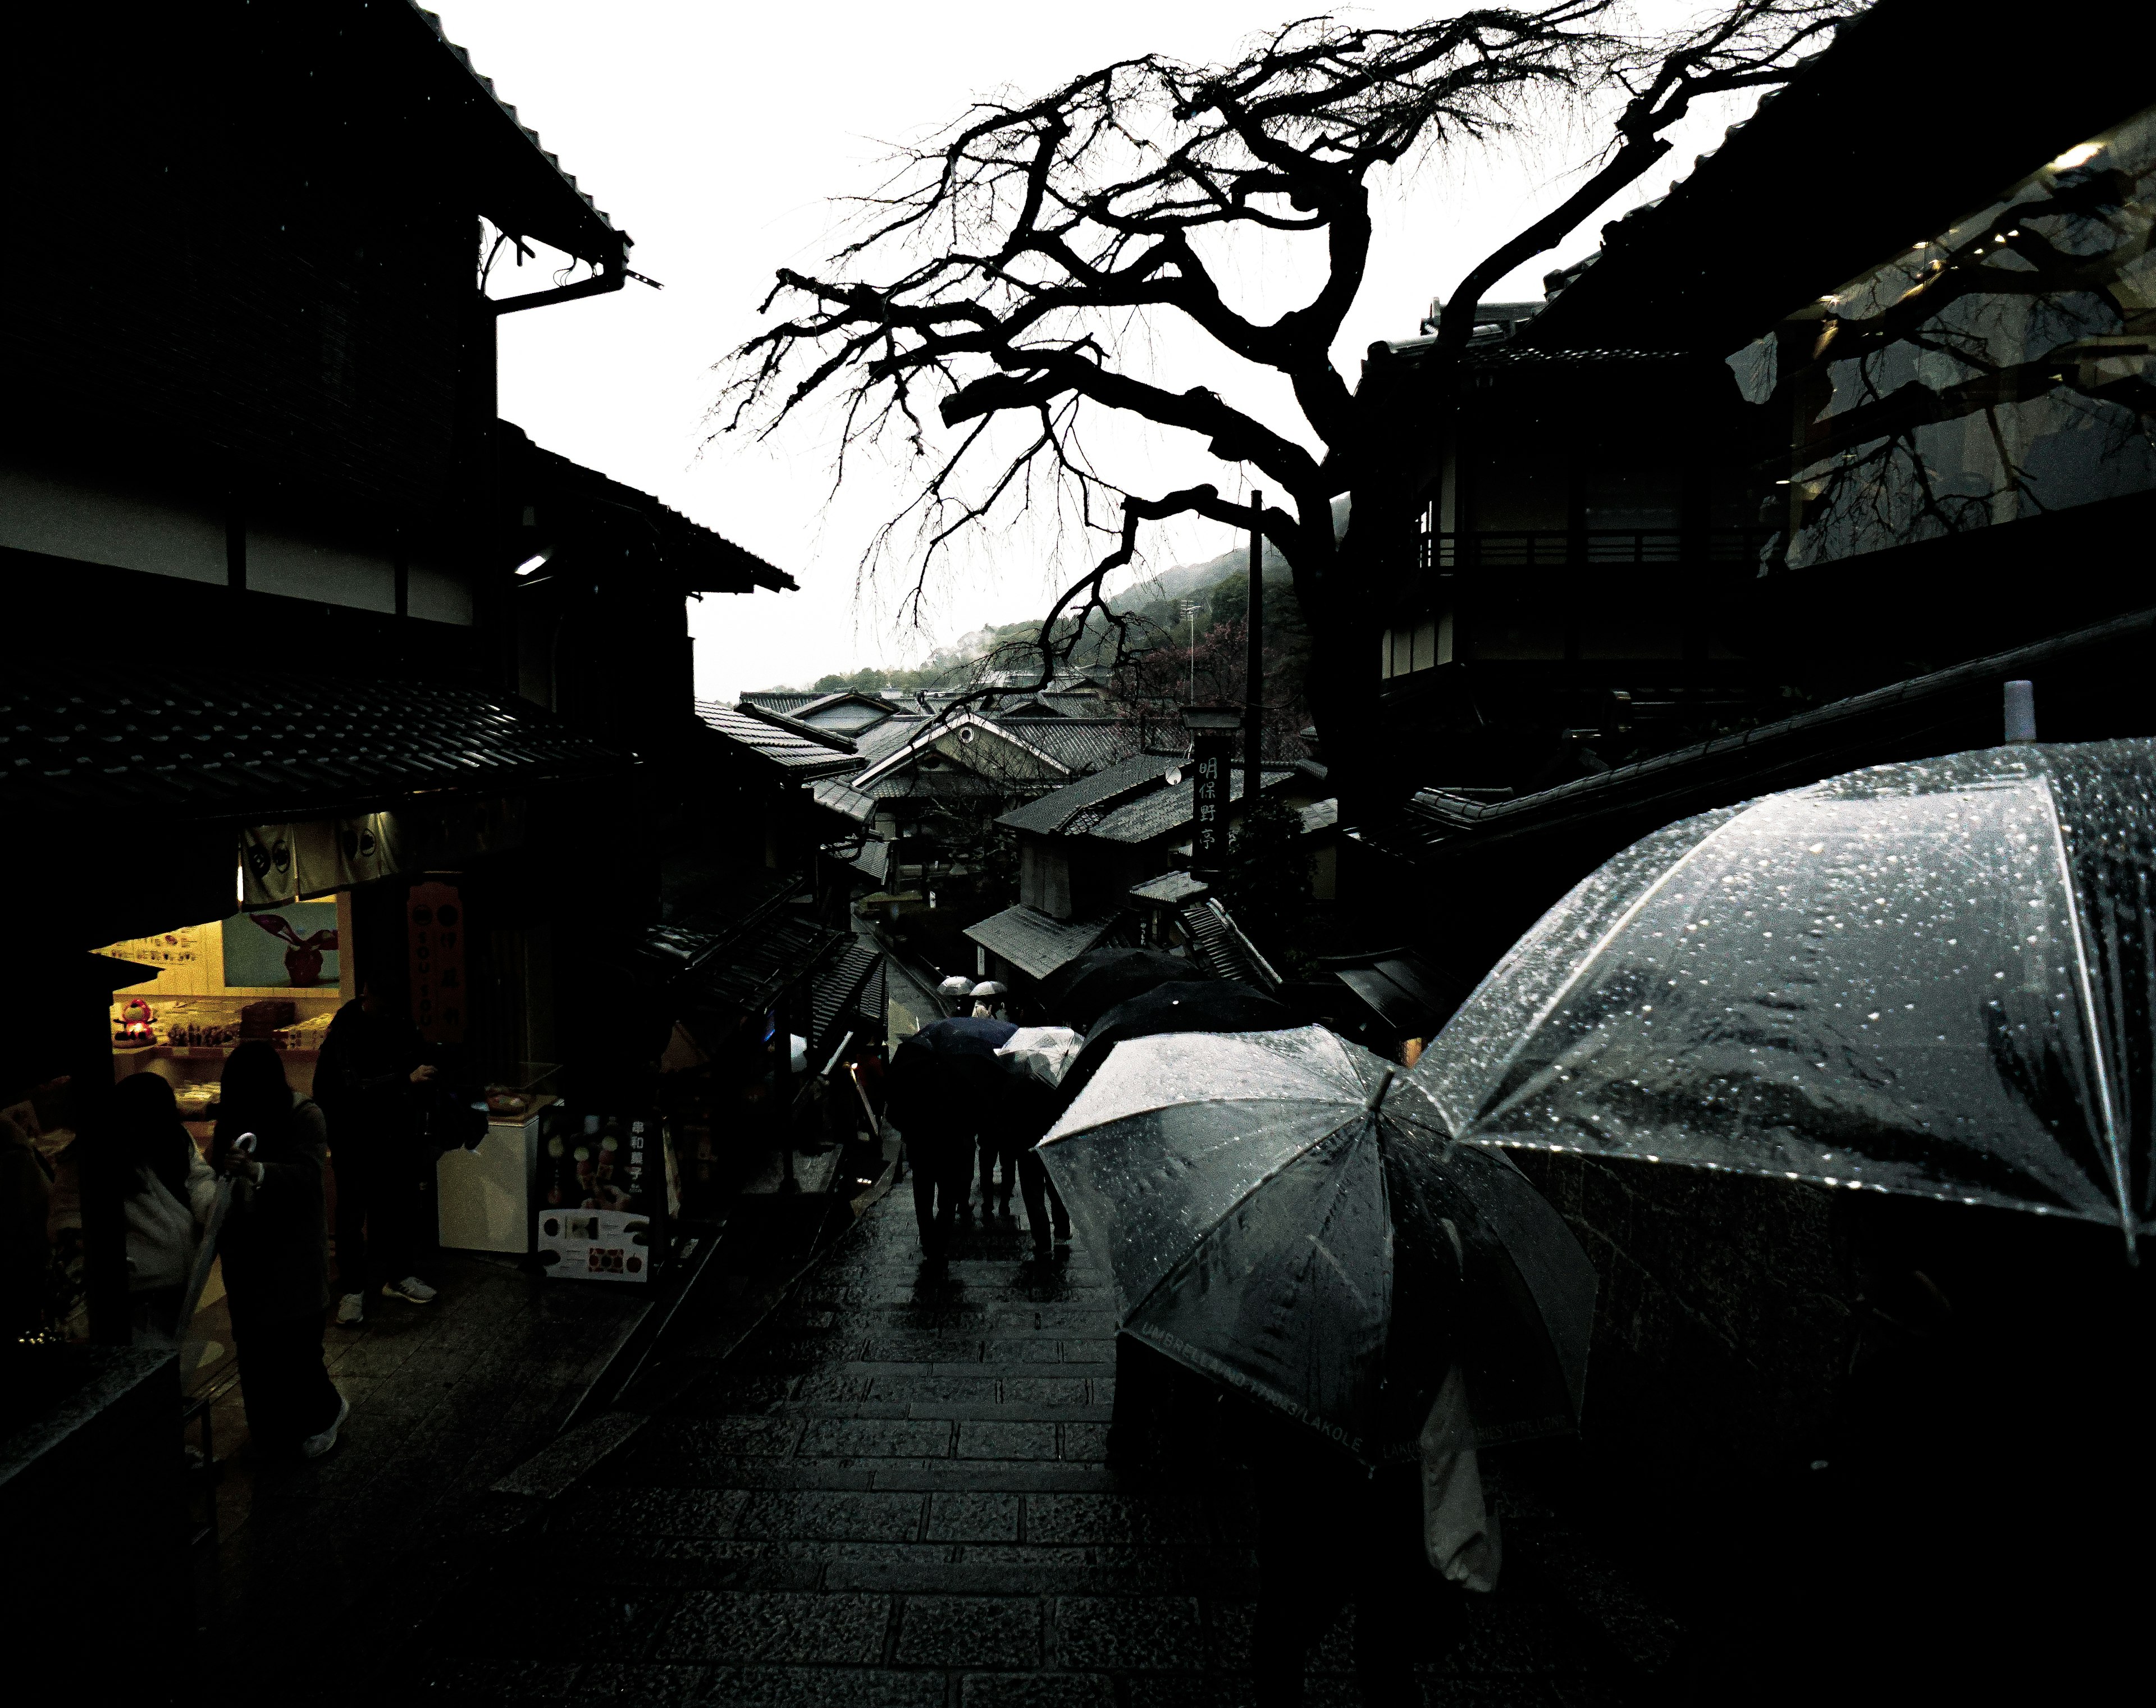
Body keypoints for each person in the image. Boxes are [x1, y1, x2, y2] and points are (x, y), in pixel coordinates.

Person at [212, 1042, 345, 1459]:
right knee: (255, 1353)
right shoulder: (233, 1116)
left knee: (297, 1352)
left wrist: (255, 1171)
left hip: (293, 1257)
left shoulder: (304, 1114)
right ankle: (270, 1432)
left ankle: (326, 1414)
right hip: (248, 1262)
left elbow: (307, 1178)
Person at [314, 984, 438, 1325]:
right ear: (367, 995)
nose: (388, 1015)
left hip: (395, 1135)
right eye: (382, 1007)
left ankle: (397, 1276)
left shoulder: (399, 1024)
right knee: (354, 1213)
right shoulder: (343, 1034)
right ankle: (354, 1289)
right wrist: (405, 1080)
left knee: (398, 1206)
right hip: (355, 1138)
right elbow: (344, 1089)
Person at [109, 1072, 217, 1343]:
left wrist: (212, 1204)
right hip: (139, 1304)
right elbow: (71, 1222)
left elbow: (198, 1178)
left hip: (186, 1290)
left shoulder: (172, 1138)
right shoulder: (99, 1158)